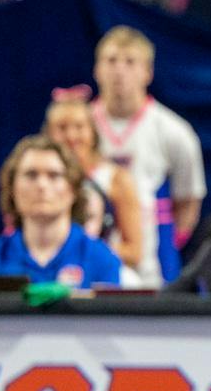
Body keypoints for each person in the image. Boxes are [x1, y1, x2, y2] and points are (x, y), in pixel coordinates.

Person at [90, 26, 207, 285]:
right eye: (111, 61)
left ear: (148, 72)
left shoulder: (174, 131)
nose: (119, 71)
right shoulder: (78, 127)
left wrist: (165, 241)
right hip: (88, 256)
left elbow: (188, 201)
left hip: (151, 258)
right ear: (97, 70)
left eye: (130, 62)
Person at [0, 136, 123, 289]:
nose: (42, 185)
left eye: (54, 175)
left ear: (73, 189)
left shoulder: (102, 259)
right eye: (31, 175)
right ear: (12, 188)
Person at [44, 86, 145, 281]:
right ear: (48, 133)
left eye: (80, 127)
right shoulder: (36, 181)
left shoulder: (117, 179)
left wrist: (82, 254)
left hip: (102, 274)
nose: (72, 136)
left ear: (93, 132)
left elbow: (134, 251)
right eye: (62, 128)